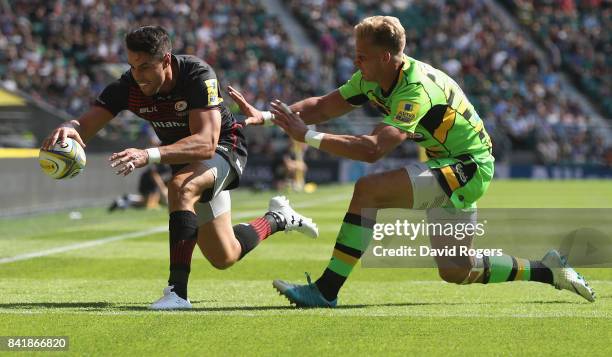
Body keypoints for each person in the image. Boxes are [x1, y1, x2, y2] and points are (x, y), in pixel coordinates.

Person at [229, 16, 595, 307]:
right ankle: (547, 271)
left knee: (367, 190)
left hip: (467, 165)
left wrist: (306, 137)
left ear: (386, 57)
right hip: (449, 160)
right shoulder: (374, 76)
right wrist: (265, 116)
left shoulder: (414, 91)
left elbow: (374, 149)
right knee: (457, 271)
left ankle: (326, 290)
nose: (354, 61)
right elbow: (323, 106)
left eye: (361, 55)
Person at [41, 26, 318, 310]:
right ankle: (278, 218)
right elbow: (86, 124)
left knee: (181, 186)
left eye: (146, 67)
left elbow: (206, 143)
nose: (138, 75)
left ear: (166, 60)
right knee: (225, 256)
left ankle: (176, 293)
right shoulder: (129, 86)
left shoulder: (197, 75)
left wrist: (147, 154)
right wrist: (70, 127)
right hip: (185, 159)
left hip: (225, 147)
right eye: (133, 66)